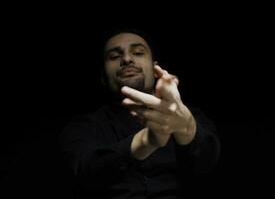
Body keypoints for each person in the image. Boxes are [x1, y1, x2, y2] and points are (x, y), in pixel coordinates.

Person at [60, 29, 221, 199]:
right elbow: (88, 172)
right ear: (102, 77)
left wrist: (186, 127)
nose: (127, 59)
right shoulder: (83, 127)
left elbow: (208, 165)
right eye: (114, 56)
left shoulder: (191, 115)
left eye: (138, 53)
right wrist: (146, 141)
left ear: (155, 67)